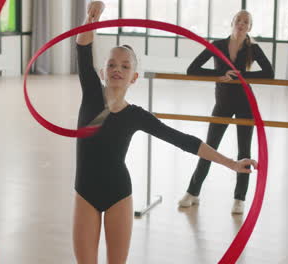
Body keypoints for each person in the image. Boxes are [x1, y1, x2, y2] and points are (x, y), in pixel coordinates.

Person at [73, 2, 258, 263]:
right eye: (112, 64)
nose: (117, 69)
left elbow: (185, 141)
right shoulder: (92, 95)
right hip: (85, 194)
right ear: (102, 72)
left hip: (118, 195)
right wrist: (91, 19)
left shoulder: (136, 115)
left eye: (125, 67)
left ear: (134, 77)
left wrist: (231, 163)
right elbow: (83, 49)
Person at [179, 10, 274, 214]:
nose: (241, 23)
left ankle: (239, 198)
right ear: (232, 23)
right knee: (209, 147)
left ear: (250, 27)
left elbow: (269, 73)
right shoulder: (218, 45)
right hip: (222, 104)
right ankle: (192, 192)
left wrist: (241, 76)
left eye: (246, 21)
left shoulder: (252, 48)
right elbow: (192, 69)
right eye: (238, 20)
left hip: (245, 104)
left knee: (244, 151)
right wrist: (220, 74)